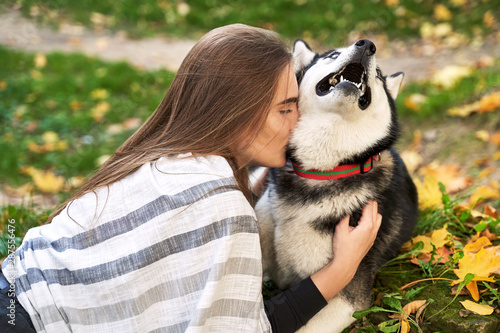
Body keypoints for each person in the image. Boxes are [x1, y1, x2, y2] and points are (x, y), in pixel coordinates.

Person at [0, 24, 382, 333]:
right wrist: (341, 270)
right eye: (285, 108)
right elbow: (248, 327)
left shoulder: (167, 155)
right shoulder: (222, 205)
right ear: (238, 112)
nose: (297, 120)